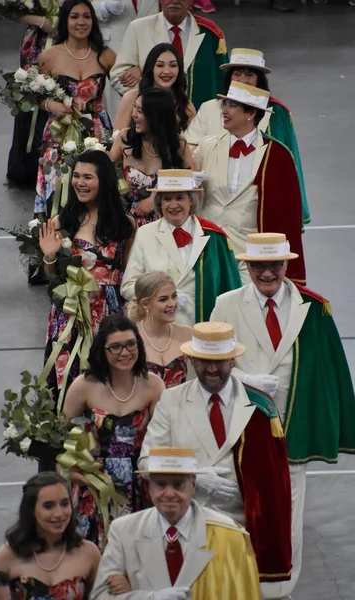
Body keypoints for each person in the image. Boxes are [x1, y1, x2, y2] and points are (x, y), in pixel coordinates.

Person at [210, 232, 355, 599]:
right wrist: (244, 379)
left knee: (287, 517)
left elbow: (329, 371)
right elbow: (209, 362)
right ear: (248, 266)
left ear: (286, 265)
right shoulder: (226, 305)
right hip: (236, 430)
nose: (267, 272)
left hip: (290, 433)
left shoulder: (313, 307)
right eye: (259, 265)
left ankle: (280, 590)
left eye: (275, 265)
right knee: (238, 511)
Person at [138, 322, 293, 592]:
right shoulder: (171, 401)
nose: (211, 369)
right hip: (184, 533)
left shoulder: (260, 407)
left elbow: (275, 484)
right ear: (192, 360)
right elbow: (147, 462)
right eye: (204, 361)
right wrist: (194, 475)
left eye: (219, 361)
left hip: (242, 535)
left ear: (233, 361)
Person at [91, 446, 261, 600]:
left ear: (193, 485)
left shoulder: (230, 535)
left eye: (178, 485)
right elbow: (100, 596)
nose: (169, 493)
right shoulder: (123, 531)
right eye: (161, 484)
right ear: (149, 487)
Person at [39, 150, 135, 412]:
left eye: (88, 177)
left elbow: (127, 271)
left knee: (109, 377)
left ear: (103, 181)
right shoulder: (62, 222)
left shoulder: (125, 225)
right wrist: (49, 257)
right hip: (71, 312)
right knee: (68, 378)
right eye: (77, 176)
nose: (80, 183)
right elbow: (53, 279)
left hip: (109, 311)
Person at [63, 314, 165, 550]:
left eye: (131, 344)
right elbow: (61, 438)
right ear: (102, 350)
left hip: (140, 483)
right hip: (96, 485)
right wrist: (73, 473)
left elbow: (163, 436)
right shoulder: (83, 385)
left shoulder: (154, 384)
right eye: (115, 347)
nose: (125, 352)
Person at [193, 80, 306, 285]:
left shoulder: (277, 154)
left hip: (250, 257)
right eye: (224, 104)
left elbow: (289, 213)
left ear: (250, 114)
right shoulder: (207, 146)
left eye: (232, 106)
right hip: (209, 249)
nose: (224, 111)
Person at [186, 47, 310, 226]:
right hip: (213, 203)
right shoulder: (208, 108)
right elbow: (189, 151)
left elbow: (286, 165)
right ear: (229, 77)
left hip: (253, 218)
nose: (242, 80)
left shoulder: (276, 114)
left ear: (259, 80)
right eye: (237, 74)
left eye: (249, 75)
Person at [121, 169, 241, 326]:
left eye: (180, 198)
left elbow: (229, 289)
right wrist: (158, 297)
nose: (173, 205)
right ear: (160, 203)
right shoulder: (145, 234)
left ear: (191, 200)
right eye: (167, 199)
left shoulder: (214, 236)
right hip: (158, 330)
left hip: (202, 328)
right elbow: (128, 286)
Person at [34, 0, 115, 215]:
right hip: (59, 133)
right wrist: (50, 105)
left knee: (95, 191)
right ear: (65, 21)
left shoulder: (106, 55)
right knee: (58, 191)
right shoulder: (48, 56)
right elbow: (34, 95)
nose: (81, 22)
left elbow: (127, 82)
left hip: (96, 131)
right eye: (74, 16)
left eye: (87, 16)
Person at [0, 472, 101, 599]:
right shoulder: (7, 555)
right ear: (31, 510)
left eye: (64, 504)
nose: (59, 514)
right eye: (48, 506)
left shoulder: (89, 553)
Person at [109, 0, 229, 110]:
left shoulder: (210, 33)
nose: (175, 1)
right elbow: (118, 76)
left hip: (199, 120)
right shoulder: (138, 28)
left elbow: (224, 83)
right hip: (152, 119)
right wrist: (151, 95)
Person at [109, 88, 194, 227]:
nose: (133, 114)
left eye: (140, 111)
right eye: (134, 108)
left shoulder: (178, 145)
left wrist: (154, 199)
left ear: (156, 116)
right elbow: (104, 171)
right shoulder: (125, 138)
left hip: (166, 221)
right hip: (127, 221)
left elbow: (191, 183)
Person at [7, 4, 59, 188]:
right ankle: (27, 164)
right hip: (36, 41)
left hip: (69, 39)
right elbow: (10, 9)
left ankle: (56, 164)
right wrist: (42, 21)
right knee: (31, 93)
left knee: (60, 95)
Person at [128, 271, 192, 387]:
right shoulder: (130, 339)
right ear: (145, 304)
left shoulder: (188, 334)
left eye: (174, 296)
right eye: (163, 299)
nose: (172, 304)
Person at [113, 43, 196, 132]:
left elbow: (193, 142)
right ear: (151, 68)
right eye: (160, 65)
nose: (166, 71)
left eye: (173, 65)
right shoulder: (131, 98)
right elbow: (117, 138)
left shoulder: (186, 105)